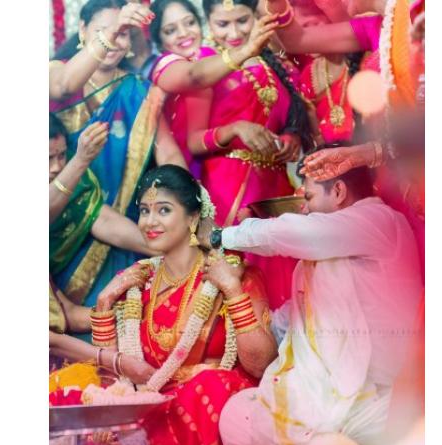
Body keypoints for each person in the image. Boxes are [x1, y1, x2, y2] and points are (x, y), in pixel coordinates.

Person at [202, 158, 422, 445]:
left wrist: (222, 236)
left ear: (338, 191)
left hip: (378, 399)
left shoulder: (379, 220)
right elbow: (297, 316)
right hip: (332, 396)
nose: (303, 208)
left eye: (308, 197)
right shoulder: (330, 252)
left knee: (293, 443)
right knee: (237, 416)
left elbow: (295, 233)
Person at [91, 165, 278, 445]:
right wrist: (104, 301)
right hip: (148, 407)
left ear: (192, 218)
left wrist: (232, 290)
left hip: (210, 411)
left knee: (209, 385)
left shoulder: (232, 273)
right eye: (144, 211)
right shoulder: (136, 282)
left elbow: (261, 365)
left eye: (163, 210)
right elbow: (112, 377)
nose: (149, 221)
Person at [49, 0, 186, 308]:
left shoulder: (139, 90)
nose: (114, 41)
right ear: (82, 30)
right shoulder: (58, 72)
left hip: (123, 229)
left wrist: (189, 204)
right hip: (63, 227)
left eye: (123, 34)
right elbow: (63, 86)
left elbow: (169, 154)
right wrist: (114, 28)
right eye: (104, 31)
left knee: (125, 313)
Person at [182, 0, 312, 310]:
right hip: (228, 189)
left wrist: (291, 138)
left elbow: (292, 119)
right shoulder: (206, 64)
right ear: (208, 23)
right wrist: (234, 129)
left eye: (242, 20)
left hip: (274, 189)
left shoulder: (275, 63)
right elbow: (193, 141)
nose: (234, 32)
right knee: (237, 276)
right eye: (222, 24)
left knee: (283, 274)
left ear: (256, 16)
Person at [49, 113, 158, 343]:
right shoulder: (73, 169)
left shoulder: (76, 182)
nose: (57, 167)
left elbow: (103, 219)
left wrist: (166, 247)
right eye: (47, 159)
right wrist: (79, 160)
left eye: (61, 156)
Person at [148, 0, 280, 177]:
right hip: (186, 170)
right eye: (170, 30)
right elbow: (195, 76)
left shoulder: (213, 60)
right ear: (158, 40)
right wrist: (246, 49)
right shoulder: (165, 65)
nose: (184, 33)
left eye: (190, 23)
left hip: (229, 168)